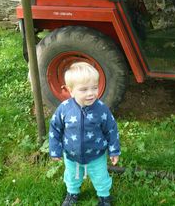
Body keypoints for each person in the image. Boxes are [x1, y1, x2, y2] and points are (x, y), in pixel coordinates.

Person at [49, 62, 121, 206]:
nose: (91, 93)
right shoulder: (64, 109)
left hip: (96, 155)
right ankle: (72, 194)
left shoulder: (101, 109)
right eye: (84, 89)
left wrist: (114, 151)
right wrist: (55, 150)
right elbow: (55, 129)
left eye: (94, 87)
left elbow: (111, 129)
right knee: (71, 177)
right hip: (71, 155)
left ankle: (104, 197)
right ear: (71, 90)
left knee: (101, 177)